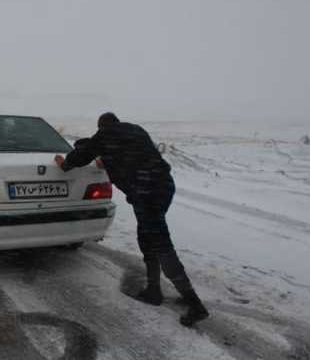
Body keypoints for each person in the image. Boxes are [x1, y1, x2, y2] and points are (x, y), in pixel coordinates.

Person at [54, 112, 209, 326]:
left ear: (101, 126)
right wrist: (107, 160)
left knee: (160, 242)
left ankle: (195, 304)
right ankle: (154, 290)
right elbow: (131, 156)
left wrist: (62, 163)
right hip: (164, 185)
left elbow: (77, 159)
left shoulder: (103, 135)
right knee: (148, 235)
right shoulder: (136, 131)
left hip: (145, 192)